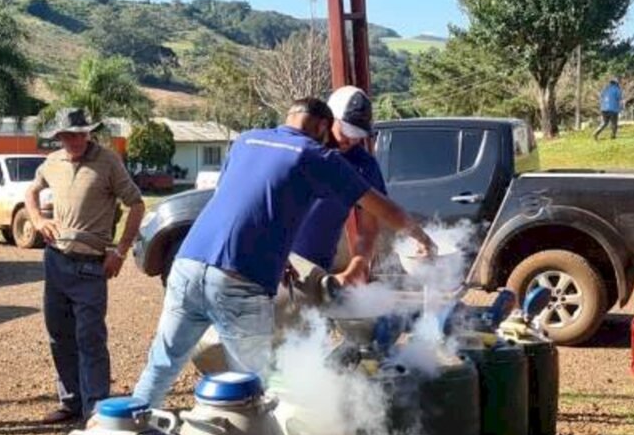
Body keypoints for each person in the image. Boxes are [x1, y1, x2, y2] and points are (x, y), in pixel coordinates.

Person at [133, 97, 436, 408]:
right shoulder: (315, 155)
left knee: (163, 363)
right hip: (237, 280)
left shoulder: (247, 140)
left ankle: (132, 432)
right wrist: (422, 239)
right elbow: (382, 208)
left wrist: (279, 257)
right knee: (253, 386)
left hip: (187, 264)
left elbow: (242, 204)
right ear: (322, 126)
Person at [26, 108, 145, 423]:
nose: (74, 139)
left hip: (91, 265)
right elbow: (31, 190)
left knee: (90, 337)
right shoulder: (53, 162)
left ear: (88, 133)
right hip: (56, 261)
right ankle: (71, 401)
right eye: (68, 135)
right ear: (60, 137)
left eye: (80, 133)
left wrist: (119, 251)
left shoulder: (108, 161)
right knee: (58, 334)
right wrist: (37, 219)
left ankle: (95, 409)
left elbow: (136, 203)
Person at [291, 85, 385, 285]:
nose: (350, 140)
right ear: (327, 122)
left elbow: (369, 228)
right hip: (276, 261)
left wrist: (356, 268)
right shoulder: (298, 149)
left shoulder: (364, 165)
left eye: (357, 135)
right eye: (345, 130)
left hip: (316, 268)